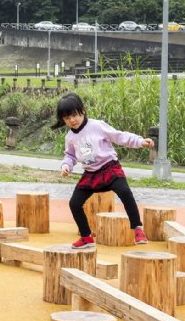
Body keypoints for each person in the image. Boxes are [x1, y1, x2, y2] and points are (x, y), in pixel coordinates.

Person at [53, 93, 153, 249]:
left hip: (109, 167)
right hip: (91, 173)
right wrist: (66, 166)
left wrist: (140, 141)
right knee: (74, 203)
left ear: (83, 111)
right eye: (66, 118)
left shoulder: (97, 126)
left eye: (74, 115)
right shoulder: (70, 137)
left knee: (125, 192)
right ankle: (86, 237)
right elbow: (70, 155)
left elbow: (119, 137)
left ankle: (138, 228)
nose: (72, 120)